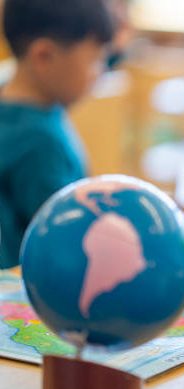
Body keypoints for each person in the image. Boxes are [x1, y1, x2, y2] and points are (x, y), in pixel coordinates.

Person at [0, 0, 114, 268]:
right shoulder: (41, 142)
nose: (100, 74)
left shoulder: (14, 107)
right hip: (27, 293)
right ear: (44, 56)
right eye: (95, 60)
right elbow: (66, 238)